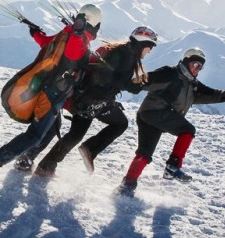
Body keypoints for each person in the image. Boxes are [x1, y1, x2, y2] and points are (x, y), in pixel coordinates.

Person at [0, 4, 102, 185]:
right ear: (94, 24)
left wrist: (36, 33)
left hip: (53, 92)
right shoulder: (77, 39)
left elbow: (47, 43)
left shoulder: (66, 34)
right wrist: (77, 33)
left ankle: (24, 159)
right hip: (53, 94)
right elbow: (73, 53)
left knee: (52, 128)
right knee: (35, 135)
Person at [116, 48, 225, 197]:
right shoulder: (170, 73)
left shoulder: (193, 85)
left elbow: (213, 94)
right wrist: (121, 84)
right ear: (186, 62)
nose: (198, 69)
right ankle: (172, 166)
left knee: (144, 154)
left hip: (148, 116)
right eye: (195, 64)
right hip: (154, 113)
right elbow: (144, 80)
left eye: (200, 67)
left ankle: (127, 186)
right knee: (187, 130)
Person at [28, 26, 158, 177]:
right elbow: (108, 77)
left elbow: (110, 76)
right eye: (150, 48)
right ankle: (86, 150)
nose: (149, 52)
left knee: (77, 134)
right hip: (91, 100)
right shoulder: (125, 55)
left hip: (91, 99)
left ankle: (47, 166)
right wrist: (132, 86)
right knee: (117, 124)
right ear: (143, 44)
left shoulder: (123, 52)